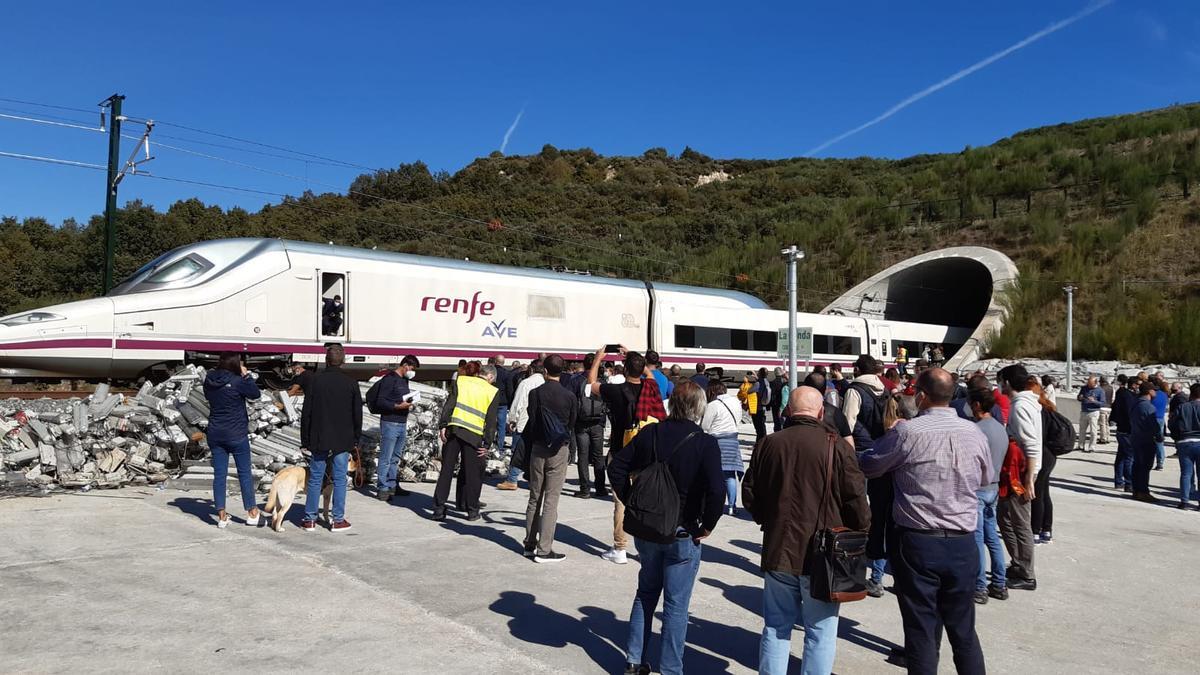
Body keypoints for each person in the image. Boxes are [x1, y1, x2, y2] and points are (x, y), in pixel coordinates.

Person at [859, 368, 990, 675]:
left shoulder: (908, 432)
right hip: (963, 542)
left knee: (921, 630)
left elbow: (870, 465)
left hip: (917, 541)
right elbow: (985, 478)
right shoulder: (974, 433)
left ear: (920, 395)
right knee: (964, 631)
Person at [744, 386, 870, 675]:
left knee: (776, 627)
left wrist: (768, 519)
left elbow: (750, 493)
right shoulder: (836, 445)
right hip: (823, 554)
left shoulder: (768, 444)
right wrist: (861, 532)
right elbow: (855, 498)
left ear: (788, 410)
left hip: (779, 549)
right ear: (821, 412)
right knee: (820, 631)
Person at [608, 381, 723, 675]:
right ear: (699, 408)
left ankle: (634, 660)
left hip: (648, 527)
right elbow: (716, 490)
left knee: (645, 593)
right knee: (675, 605)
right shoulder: (704, 442)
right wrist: (707, 525)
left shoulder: (651, 433)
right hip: (683, 530)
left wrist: (630, 499)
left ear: (672, 405)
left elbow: (616, 466)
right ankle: (671, 668)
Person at [589, 346, 666, 565]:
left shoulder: (615, 390)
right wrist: (634, 355)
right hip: (645, 451)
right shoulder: (650, 388)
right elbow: (648, 375)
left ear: (623, 370)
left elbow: (591, 383)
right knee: (643, 500)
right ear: (643, 368)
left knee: (621, 501)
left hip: (620, 450)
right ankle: (644, 548)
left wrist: (597, 360)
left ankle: (620, 548)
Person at [300, 344, 363, 532]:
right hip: (342, 438)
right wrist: (356, 438)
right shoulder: (351, 383)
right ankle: (337, 519)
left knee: (316, 478)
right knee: (340, 478)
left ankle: (309, 519)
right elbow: (357, 413)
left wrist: (305, 439)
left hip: (319, 437)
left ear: (326, 360)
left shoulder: (315, 381)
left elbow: (307, 413)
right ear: (343, 361)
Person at [521, 355, 577, 562]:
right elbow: (571, 423)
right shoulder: (569, 396)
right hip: (558, 449)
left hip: (538, 447)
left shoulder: (536, 393)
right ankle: (545, 549)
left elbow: (532, 419)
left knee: (535, 497)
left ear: (544, 370)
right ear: (562, 371)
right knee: (551, 500)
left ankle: (529, 543)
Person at [843, 355, 891, 597]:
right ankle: (878, 577)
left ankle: (852, 569)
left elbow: (847, 424)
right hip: (883, 453)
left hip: (860, 453)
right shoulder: (887, 390)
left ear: (858, 369)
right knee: (880, 514)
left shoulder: (855, 391)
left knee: (856, 509)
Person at [434, 361, 500, 520]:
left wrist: (443, 425)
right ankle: (472, 511)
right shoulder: (492, 391)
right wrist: (487, 443)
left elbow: (449, 405)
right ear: (490, 376)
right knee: (472, 475)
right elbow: (491, 421)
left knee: (446, 471)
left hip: (454, 431)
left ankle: (438, 509)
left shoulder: (461, 381)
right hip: (474, 435)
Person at [204, 352, 263, 528]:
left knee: (219, 475)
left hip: (215, 433)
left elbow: (208, 397)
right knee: (244, 473)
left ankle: (222, 516)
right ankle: (252, 512)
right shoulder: (238, 381)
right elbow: (255, 394)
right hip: (236, 433)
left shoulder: (209, 380)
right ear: (235, 364)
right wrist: (247, 376)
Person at [997, 364, 1039, 591]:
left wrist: (1029, 479)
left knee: (1021, 524)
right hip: (1016, 473)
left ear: (1008, 383)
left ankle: (1027, 573)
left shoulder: (1020, 406)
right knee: (1005, 518)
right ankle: (1018, 563)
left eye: (1001, 381)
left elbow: (1030, 445)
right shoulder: (1026, 403)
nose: (999, 385)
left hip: (1019, 476)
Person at [969, 385, 1009, 604]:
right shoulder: (999, 427)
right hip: (993, 487)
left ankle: (979, 586)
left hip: (979, 488)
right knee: (992, 536)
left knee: (977, 539)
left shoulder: (977, 430)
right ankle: (999, 583)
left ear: (976, 405)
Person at [373, 355, 420, 501]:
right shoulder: (389, 379)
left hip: (402, 422)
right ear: (405, 365)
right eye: (412, 368)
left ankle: (393, 484)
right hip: (390, 423)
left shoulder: (404, 380)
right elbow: (381, 401)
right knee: (386, 457)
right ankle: (382, 487)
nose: (412, 372)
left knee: (395, 457)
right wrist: (397, 406)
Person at [498, 359, 546, 490]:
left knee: (519, 451)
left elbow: (518, 402)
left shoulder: (526, 383)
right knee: (533, 453)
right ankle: (533, 480)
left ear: (531, 369)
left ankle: (512, 479)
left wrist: (512, 420)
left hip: (524, 422)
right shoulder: (545, 383)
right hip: (540, 424)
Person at [701, 381, 744, 516]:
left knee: (713, 474)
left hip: (717, 441)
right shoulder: (736, 402)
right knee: (730, 474)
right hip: (733, 440)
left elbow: (705, 426)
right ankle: (732, 505)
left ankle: (714, 503)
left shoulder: (713, 405)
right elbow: (739, 419)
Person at [574, 353, 609, 499]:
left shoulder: (576, 380)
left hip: (581, 423)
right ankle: (600, 488)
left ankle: (585, 489)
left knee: (582, 456)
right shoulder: (602, 382)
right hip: (597, 423)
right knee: (598, 455)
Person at [1028, 376, 1058, 545]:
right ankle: (1047, 530)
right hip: (1050, 454)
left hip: (1041, 453)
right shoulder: (1048, 406)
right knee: (1045, 493)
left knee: (1037, 495)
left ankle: (1036, 531)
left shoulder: (1037, 409)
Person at [1130, 380, 1163, 503]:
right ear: (1149, 391)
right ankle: (1143, 491)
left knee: (1137, 464)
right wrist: (1159, 437)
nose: (1155, 392)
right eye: (1154, 390)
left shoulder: (1136, 403)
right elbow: (1154, 426)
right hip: (1146, 439)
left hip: (1135, 437)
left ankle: (1136, 490)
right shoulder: (1148, 406)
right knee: (1145, 466)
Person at [799, 372, 854, 447]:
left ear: (805, 388)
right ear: (825, 390)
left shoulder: (795, 411)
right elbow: (849, 444)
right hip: (829, 456)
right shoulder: (836, 413)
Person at [1168, 383, 1200, 510]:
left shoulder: (1182, 407)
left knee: (1186, 473)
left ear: (1191, 394)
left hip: (1184, 441)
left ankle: (1184, 501)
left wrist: (1177, 437)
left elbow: (1172, 423)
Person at [1110, 374, 1136, 492]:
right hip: (1127, 430)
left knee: (1121, 456)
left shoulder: (1121, 394)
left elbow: (1115, 408)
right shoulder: (1128, 396)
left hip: (1121, 429)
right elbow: (1129, 413)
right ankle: (1128, 483)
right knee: (1129, 458)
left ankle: (1118, 481)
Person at [489, 355, 513, 454]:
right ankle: (500, 446)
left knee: (490, 423)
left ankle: (489, 443)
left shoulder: (491, 372)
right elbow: (509, 389)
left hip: (491, 400)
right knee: (502, 426)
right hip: (503, 402)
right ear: (503, 362)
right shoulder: (507, 374)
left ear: (495, 361)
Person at [1076, 376, 1105, 453]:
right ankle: (1080, 445)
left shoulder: (1100, 391)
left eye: (1090, 384)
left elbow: (1102, 403)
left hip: (1093, 412)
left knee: (1093, 431)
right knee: (1082, 430)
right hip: (1084, 411)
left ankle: (1092, 447)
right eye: (1088, 383)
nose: (1088, 385)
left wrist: (1094, 401)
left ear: (1095, 383)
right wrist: (1080, 397)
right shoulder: (1084, 388)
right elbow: (1079, 397)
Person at [738, 371, 767, 443]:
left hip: (756, 408)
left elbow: (749, 391)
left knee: (759, 427)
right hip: (761, 407)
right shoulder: (765, 382)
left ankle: (760, 443)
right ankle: (761, 441)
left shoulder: (758, 384)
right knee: (761, 426)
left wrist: (746, 384)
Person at [1153, 380, 1169, 471]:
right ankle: (1160, 462)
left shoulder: (1152, 395)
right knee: (1159, 441)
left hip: (1152, 418)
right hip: (1161, 418)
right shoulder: (1164, 395)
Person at [769, 367, 786, 432]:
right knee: (783, 420)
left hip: (775, 404)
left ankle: (777, 432)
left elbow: (771, 394)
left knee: (776, 420)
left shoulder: (772, 383)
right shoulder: (784, 382)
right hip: (783, 404)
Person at [1099, 376, 1115, 444]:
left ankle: (1103, 438)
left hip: (1102, 407)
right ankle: (1108, 437)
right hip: (1109, 407)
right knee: (1107, 423)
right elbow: (1113, 399)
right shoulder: (1112, 388)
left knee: (1102, 424)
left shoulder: (1100, 389)